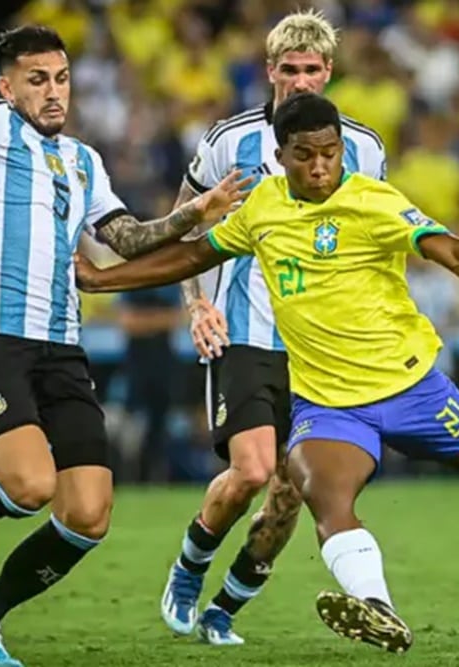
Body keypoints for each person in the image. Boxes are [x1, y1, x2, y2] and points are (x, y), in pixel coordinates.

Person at [75, 93, 459, 653]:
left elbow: (455, 252)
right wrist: (104, 280)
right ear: (281, 155)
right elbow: (193, 257)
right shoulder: (262, 207)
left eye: (330, 153)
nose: (320, 167)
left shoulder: (373, 202)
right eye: (305, 155)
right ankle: (380, 609)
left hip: (412, 387)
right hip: (328, 406)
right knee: (325, 498)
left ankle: (400, 447)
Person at [0, 26, 249, 666]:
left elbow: (127, 237)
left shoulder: (85, 161)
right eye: (38, 79)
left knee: (88, 514)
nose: (53, 92)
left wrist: (199, 211)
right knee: (29, 488)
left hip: (63, 342)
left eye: (61, 78)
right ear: (8, 86)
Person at [160, 9, 388, 645]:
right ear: (270, 73)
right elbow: (184, 221)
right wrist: (195, 304)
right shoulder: (232, 140)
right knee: (255, 470)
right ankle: (190, 564)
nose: (301, 82)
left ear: (329, 72)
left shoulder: (364, 148)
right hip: (247, 332)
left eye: (312, 70)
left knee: (292, 493)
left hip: (323, 349)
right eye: (289, 70)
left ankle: (224, 608)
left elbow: (376, 236)